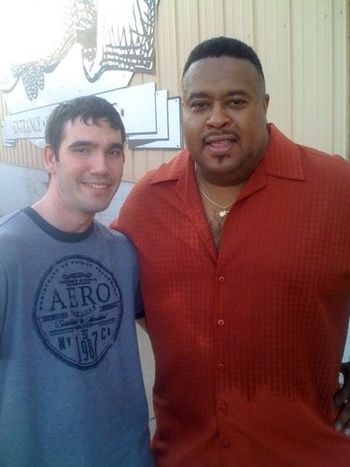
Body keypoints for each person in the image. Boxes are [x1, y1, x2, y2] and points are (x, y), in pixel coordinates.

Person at [112, 37, 350, 466]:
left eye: (236, 101)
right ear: (183, 111)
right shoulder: (147, 202)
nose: (217, 119)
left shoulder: (336, 189)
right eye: (199, 105)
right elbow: (109, 291)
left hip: (308, 453)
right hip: (184, 455)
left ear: (265, 104)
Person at [0, 96, 153, 466]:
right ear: (50, 158)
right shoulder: (8, 253)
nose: (101, 166)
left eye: (113, 151)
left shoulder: (122, 251)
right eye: (82, 149)